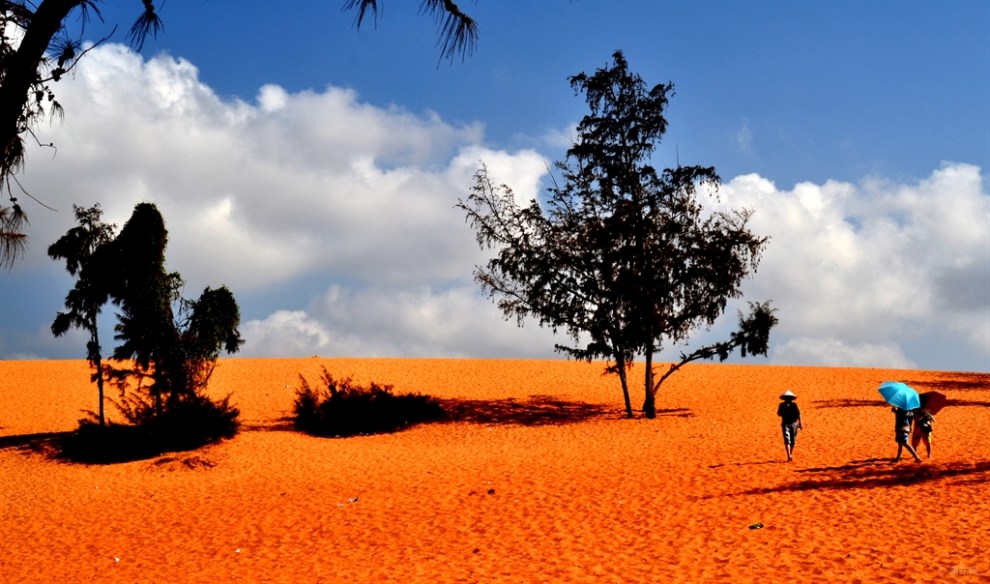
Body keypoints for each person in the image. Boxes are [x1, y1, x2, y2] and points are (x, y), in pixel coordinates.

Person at [776, 390, 803, 462]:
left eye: (789, 398)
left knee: (793, 441)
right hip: (785, 424)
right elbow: (779, 414)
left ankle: (790, 453)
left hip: (794, 424)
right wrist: (784, 408)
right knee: (787, 439)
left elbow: (798, 414)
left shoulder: (794, 405)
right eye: (786, 398)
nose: (788, 400)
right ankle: (789, 455)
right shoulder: (781, 405)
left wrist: (800, 423)